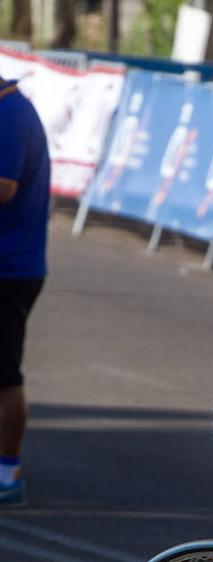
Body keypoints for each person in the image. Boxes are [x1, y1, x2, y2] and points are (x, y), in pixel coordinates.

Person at [0, 75, 49, 508]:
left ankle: (7, 471)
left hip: (9, 268)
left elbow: (5, 186)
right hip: (13, 264)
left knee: (5, 374)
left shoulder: (10, 113)